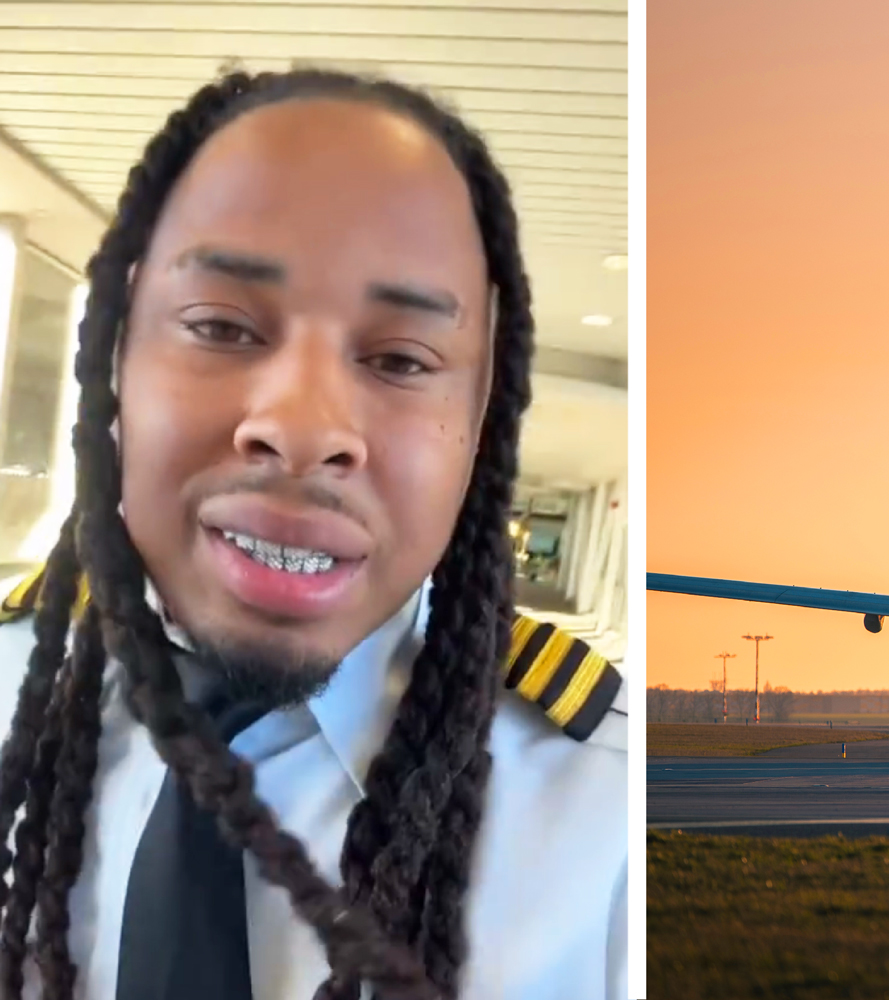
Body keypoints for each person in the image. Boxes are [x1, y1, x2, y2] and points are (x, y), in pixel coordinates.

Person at [0, 69, 627, 999]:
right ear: (116, 357)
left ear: (481, 425)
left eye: (401, 359)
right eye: (219, 325)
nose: (302, 428)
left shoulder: (616, 827)